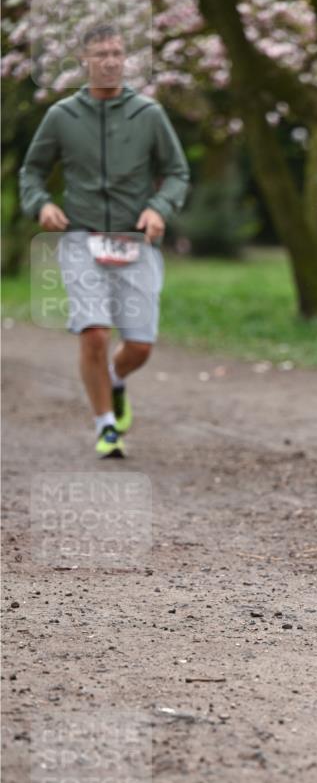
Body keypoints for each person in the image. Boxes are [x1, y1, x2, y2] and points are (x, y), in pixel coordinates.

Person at [20, 23, 190, 458]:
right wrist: (41, 204)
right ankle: (105, 426)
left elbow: (176, 172)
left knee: (139, 346)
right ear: (84, 61)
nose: (111, 61)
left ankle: (116, 380)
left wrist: (159, 208)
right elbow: (32, 171)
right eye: (101, 54)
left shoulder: (148, 114)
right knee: (94, 333)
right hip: (82, 238)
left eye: (117, 52)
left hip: (135, 242)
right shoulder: (62, 116)